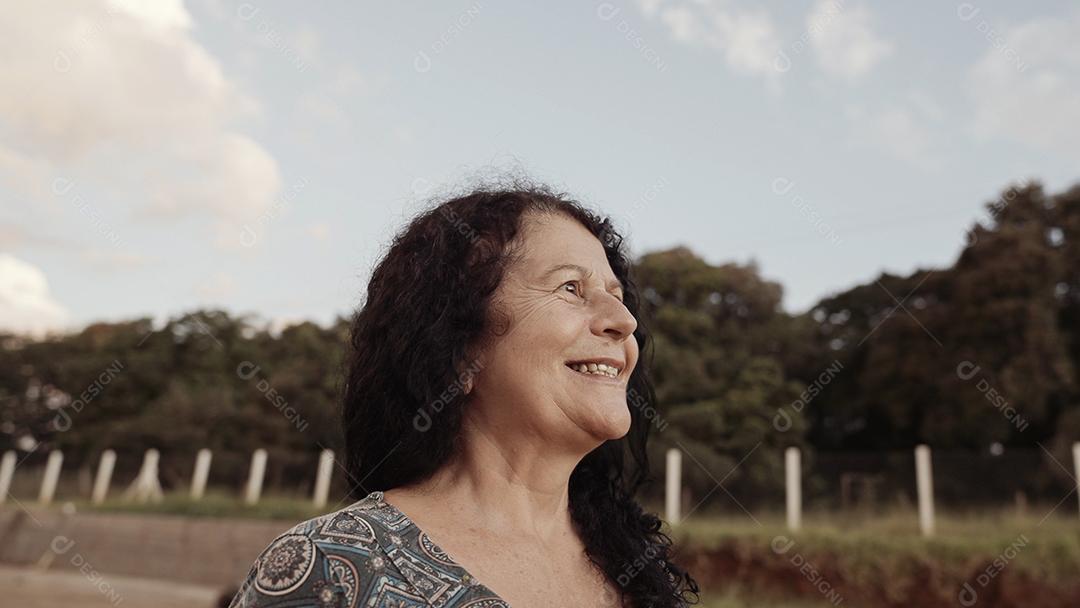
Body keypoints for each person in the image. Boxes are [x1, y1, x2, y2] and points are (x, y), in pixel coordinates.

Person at [229, 182, 699, 607]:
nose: (625, 321)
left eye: (617, 295)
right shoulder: (325, 572)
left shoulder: (635, 564)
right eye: (571, 288)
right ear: (459, 349)